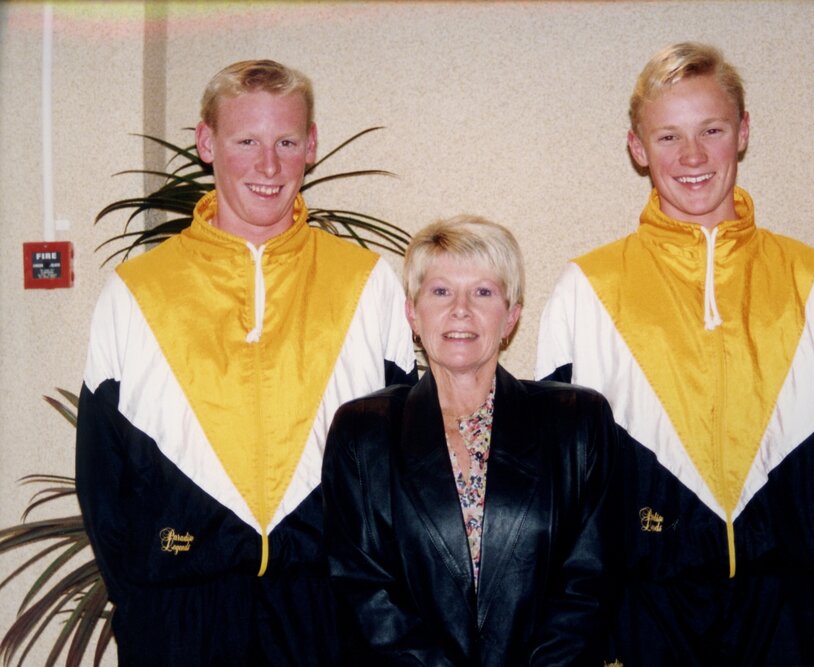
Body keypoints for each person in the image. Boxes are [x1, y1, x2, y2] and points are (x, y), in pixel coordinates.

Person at [536, 42, 814, 665]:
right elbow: (560, 472)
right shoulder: (586, 289)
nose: (691, 156)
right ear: (637, 148)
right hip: (641, 614)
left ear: (742, 133)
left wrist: (795, 559)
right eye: (668, 136)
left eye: (711, 130)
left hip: (782, 611)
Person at [75, 59, 416, 665]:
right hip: (180, 613)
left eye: (286, 142)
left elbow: (402, 458)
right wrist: (143, 606)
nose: (269, 166)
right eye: (246, 142)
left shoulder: (367, 283)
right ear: (207, 144)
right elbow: (102, 476)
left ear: (311, 146)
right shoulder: (136, 291)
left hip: (325, 609)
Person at [323, 215, 619, 666]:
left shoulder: (578, 424)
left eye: (483, 292)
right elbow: (362, 591)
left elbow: (589, 586)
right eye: (441, 291)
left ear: (511, 316)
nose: (460, 309)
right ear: (412, 313)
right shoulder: (362, 432)